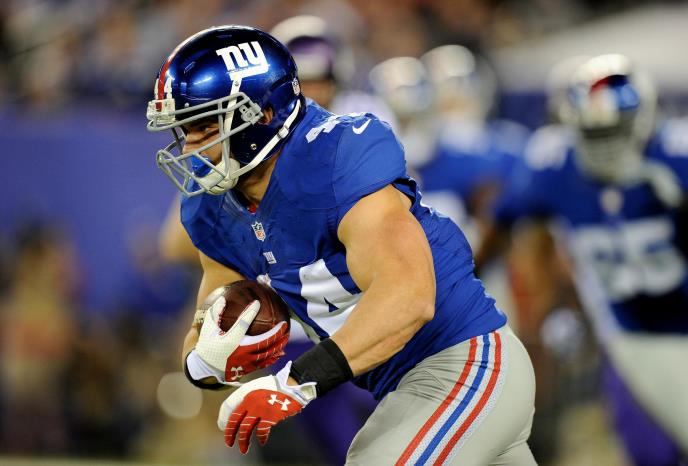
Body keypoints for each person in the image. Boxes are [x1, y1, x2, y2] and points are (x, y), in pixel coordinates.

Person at [146, 25, 536, 465]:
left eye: (204, 127)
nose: (191, 148)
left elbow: (409, 295)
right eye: (184, 131)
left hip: (465, 361)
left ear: (262, 115)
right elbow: (209, 320)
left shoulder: (334, 155)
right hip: (401, 386)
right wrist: (207, 362)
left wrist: (294, 382)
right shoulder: (212, 205)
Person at [477, 54, 688, 465]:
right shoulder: (556, 167)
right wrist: (464, 276)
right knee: (649, 452)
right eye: (595, 130)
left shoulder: (676, 155)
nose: (607, 142)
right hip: (630, 335)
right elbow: (503, 223)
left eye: (615, 128)